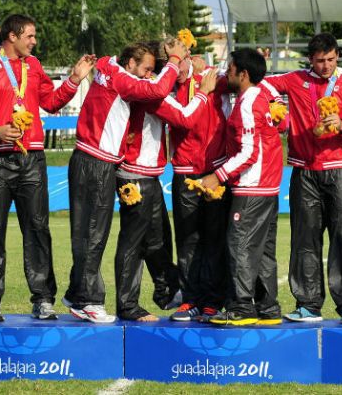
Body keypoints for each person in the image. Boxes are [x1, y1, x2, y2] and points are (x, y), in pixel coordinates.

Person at [0, 14, 96, 322]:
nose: (34, 41)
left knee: (37, 228)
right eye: (30, 36)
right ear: (12, 36)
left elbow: (51, 101)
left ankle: (43, 298)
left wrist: (74, 79)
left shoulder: (33, 66)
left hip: (31, 157)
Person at [62, 39, 187, 323]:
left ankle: (77, 293)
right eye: (145, 68)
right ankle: (89, 300)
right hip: (98, 161)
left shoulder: (110, 68)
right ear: (130, 63)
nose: (148, 74)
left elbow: (142, 81)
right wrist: (175, 61)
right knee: (94, 235)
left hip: (99, 161)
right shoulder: (122, 78)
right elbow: (160, 93)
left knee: (96, 234)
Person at [260, 32, 342, 324]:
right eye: (320, 61)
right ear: (311, 59)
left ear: (337, 57)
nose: (326, 66)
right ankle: (308, 304)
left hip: (341, 169)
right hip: (304, 169)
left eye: (331, 60)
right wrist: (280, 114)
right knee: (304, 239)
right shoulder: (294, 80)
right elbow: (259, 84)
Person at [113, 52, 217, 322]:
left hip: (149, 174)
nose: (148, 75)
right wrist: (204, 92)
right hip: (134, 174)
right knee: (134, 242)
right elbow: (185, 119)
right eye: (147, 70)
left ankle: (169, 292)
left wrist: (204, 71)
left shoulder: (159, 90)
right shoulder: (151, 93)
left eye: (151, 71)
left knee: (158, 239)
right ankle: (127, 305)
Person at [194, 49, 283, 326]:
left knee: (239, 245)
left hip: (252, 187)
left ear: (243, 74)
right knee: (263, 250)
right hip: (268, 186)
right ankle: (268, 308)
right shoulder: (262, 94)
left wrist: (217, 176)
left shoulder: (246, 103)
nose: (226, 73)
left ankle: (242, 307)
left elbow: (248, 153)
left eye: (230, 69)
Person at [167, 55, 231, 323]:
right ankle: (190, 298)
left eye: (178, 64)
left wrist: (213, 74)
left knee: (215, 239)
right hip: (184, 171)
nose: (174, 71)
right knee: (187, 240)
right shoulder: (166, 87)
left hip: (214, 171)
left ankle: (213, 301)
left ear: (189, 60)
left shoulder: (211, 76)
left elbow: (239, 83)